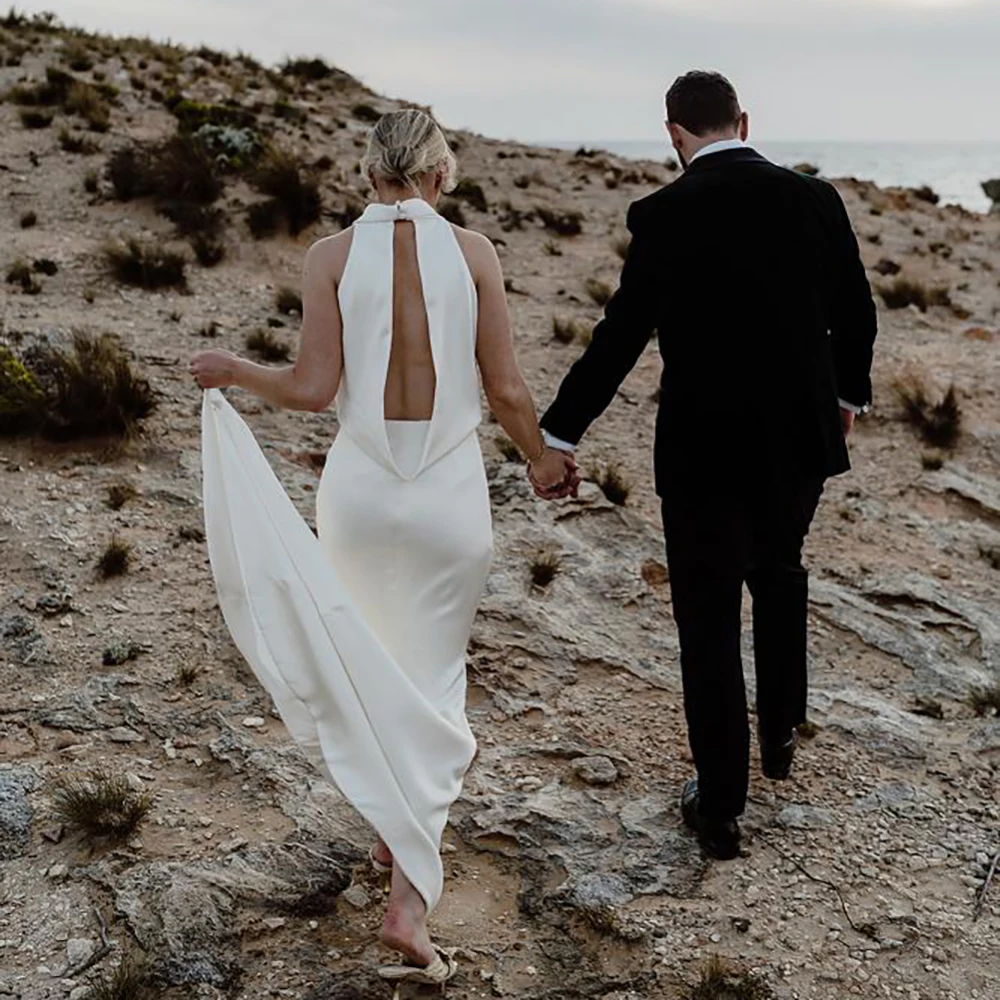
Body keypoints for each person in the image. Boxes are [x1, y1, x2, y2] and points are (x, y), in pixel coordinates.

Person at [190, 109, 577, 985]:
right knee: (433, 682)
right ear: (441, 174)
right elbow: (509, 389)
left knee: (372, 661)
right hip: (446, 495)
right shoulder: (475, 254)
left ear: (368, 176)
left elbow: (314, 388)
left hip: (361, 494)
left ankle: (390, 824)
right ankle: (407, 899)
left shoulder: (329, 257)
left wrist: (235, 371)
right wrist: (542, 460)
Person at [531, 70, 877, 859]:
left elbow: (620, 335)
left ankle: (721, 806)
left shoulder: (663, 213)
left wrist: (561, 432)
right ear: (744, 121)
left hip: (702, 449)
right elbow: (857, 310)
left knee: (709, 619)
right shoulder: (815, 199)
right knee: (782, 569)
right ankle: (782, 729)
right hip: (798, 440)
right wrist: (847, 400)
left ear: (674, 135)